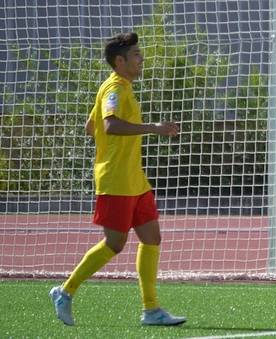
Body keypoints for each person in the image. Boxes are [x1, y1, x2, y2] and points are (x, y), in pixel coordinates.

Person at [49, 32, 186, 327]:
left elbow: (91, 126)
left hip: (134, 179)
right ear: (120, 61)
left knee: (152, 238)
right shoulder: (115, 88)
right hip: (115, 180)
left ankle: (151, 310)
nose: (141, 58)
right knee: (114, 244)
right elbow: (108, 126)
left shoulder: (119, 87)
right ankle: (65, 291)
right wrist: (154, 128)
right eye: (136, 54)